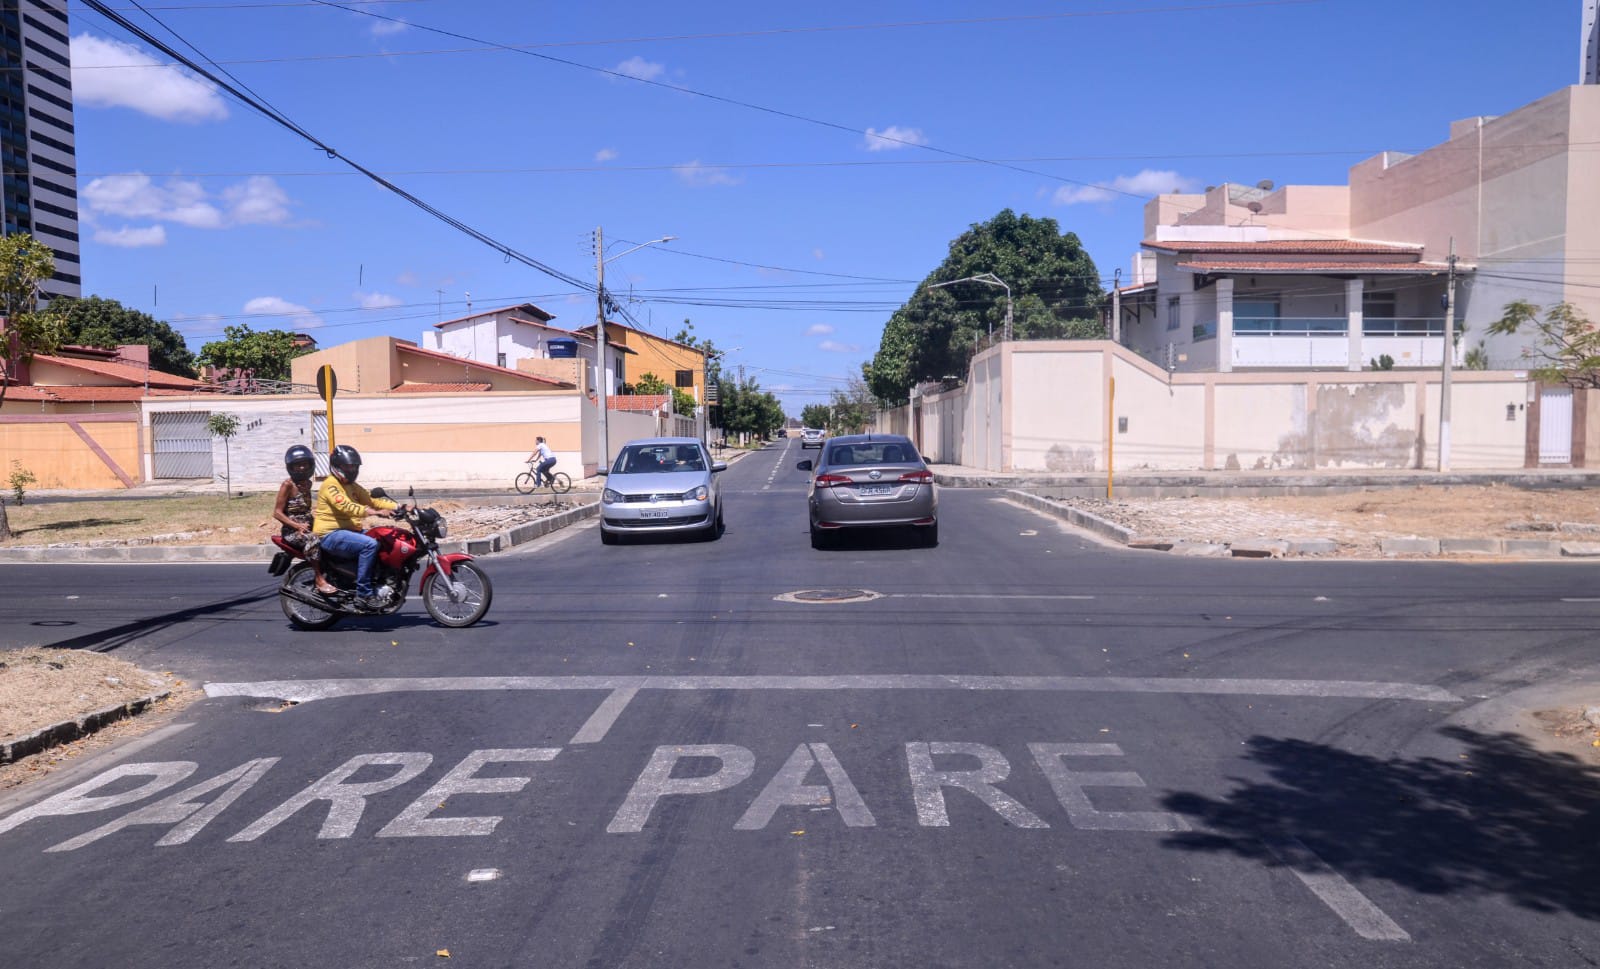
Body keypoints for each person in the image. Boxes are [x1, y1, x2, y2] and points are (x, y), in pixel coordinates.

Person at [313, 445, 399, 609]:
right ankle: (364, 594)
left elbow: (372, 500)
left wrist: (399, 507)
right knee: (369, 544)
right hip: (329, 534)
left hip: (348, 530)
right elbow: (346, 506)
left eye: (354, 466)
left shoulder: (352, 485)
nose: (351, 469)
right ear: (337, 466)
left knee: (384, 537)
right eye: (347, 466)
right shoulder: (330, 485)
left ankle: (377, 579)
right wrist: (375, 513)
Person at [272, 445, 335, 594]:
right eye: (297, 465)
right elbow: (277, 513)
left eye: (304, 464)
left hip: (309, 524)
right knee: (313, 539)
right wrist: (297, 526)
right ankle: (319, 579)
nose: (301, 468)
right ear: (290, 467)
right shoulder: (288, 485)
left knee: (335, 535)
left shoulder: (308, 483)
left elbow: (304, 509)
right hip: (292, 531)